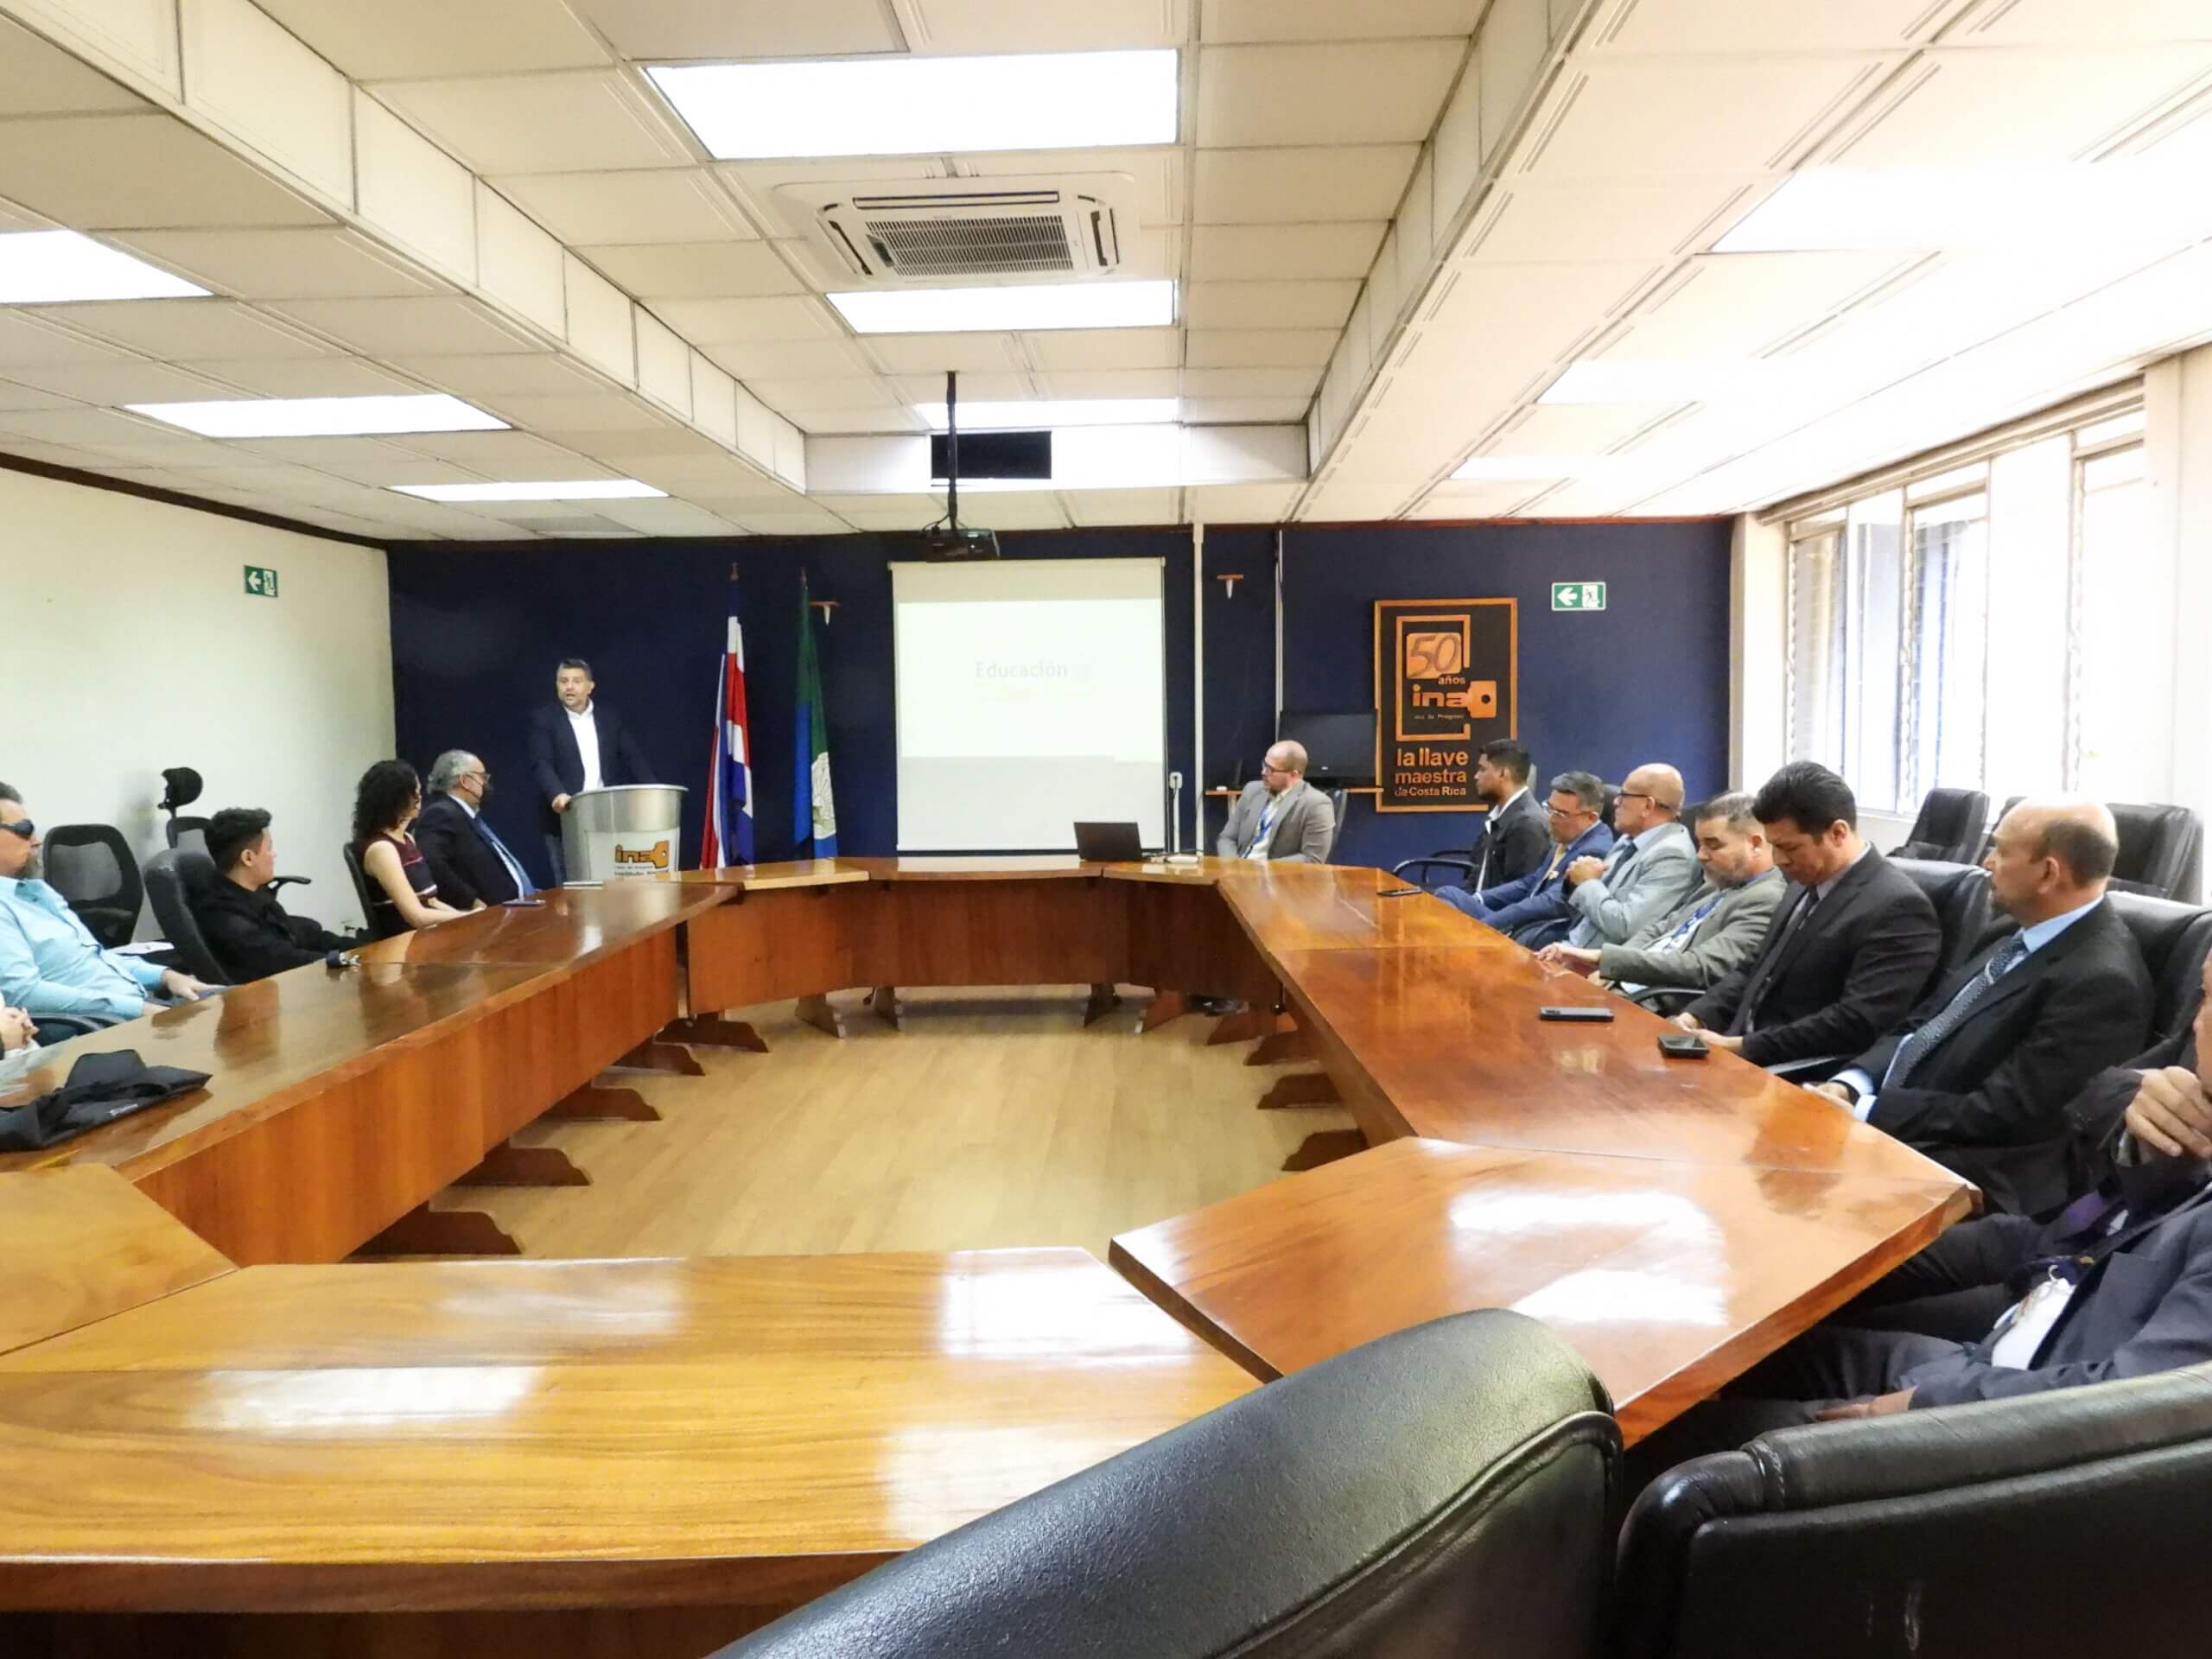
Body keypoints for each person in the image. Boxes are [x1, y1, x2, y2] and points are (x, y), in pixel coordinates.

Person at [1623, 982, 2212, 1492]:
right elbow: (2109, 1098)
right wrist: (2136, 1101)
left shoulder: (2101, 977)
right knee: (1762, 1343)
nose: (2195, 1020)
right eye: (2203, 992)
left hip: (2007, 1422)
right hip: (2036, 1309)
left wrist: (1926, 1405)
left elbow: (2132, 1403)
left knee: (1671, 1448)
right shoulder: (2195, 1075)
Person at [1809, 798, 2152, 1215]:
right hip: (1900, 1127)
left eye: (2001, 850)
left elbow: (2001, 1114)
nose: (1986, 862)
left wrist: (1865, 1111)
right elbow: (1924, 1023)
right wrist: (1852, 1083)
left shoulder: (2102, 983)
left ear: (2048, 873)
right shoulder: (2012, 930)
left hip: (1965, 1169)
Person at [1673, 762, 1941, 1069]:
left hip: (1793, 1070)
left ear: (1837, 833)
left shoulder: (1899, 908)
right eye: (1774, 846)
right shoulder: (1803, 881)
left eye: (1790, 848)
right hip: (1737, 1051)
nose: (1779, 860)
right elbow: (1754, 969)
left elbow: (1858, 1021)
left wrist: (1743, 1046)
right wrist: (1697, 1015)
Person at [0, 780, 211, 1027]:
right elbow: (25, 994)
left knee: (233, 1004)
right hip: (97, 1027)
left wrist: (167, 976)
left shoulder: (37, 891)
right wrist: (138, 1009)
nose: (36, 841)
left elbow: (95, 961)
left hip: (134, 1006)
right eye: (25, 830)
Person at [1536, 791, 1784, 998]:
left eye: (1713, 845)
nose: (1701, 855)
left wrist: (1608, 961)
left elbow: (1701, 966)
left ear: (1754, 844)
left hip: (1656, 1002)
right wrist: (1611, 968)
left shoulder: (1766, 898)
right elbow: (1660, 929)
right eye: (1700, 844)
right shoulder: (1717, 885)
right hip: (1626, 986)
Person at [1436, 772, 1614, 947]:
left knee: (1451, 916)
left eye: (1560, 814)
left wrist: (1489, 924)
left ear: (1590, 818)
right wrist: (1480, 898)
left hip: (1537, 934)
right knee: (1449, 895)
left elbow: (1551, 902)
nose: (1551, 819)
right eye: (1549, 808)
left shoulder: (1593, 852)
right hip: (1519, 925)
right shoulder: (1568, 838)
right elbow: (1530, 883)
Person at [190, 807, 357, 983]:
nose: (274, 854)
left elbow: (299, 934)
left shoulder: (254, 895)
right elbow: (284, 959)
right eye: (269, 848)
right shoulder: (225, 918)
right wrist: (343, 961)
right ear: (248, 858)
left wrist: (357, 948)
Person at [529, 657, 656, 883]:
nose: (569, 687)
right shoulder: (544, 720)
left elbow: (633, 758)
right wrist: (557, 794)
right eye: (563, 681)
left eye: (576, 681)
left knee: (611, 883)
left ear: (590, 686)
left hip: (606, 815)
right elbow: (541, 762)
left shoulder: (609, 718)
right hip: (566, 816)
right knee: (572, 885)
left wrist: (653, 792)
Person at [1557, 762, 1699, 949]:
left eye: (1623, 796)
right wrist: (1574, 882)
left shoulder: (1673, 856)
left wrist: (1587, 883)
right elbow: (1591, 910)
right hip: (1569, 947)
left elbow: (1626, 927)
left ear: (1648, 806)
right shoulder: (1628, 839)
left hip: (1596, 961)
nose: (1615, 802)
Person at [353, 760, 470, 939]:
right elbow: (416, 916)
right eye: (415, 792)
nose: (419, 798)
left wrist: (468, 918)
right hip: (406, 942)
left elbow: (431, 902)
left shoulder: (408, 838)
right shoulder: (382, 849)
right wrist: (465, 919)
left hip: (427, 936)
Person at [415, 751, 534, 909]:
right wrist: (471, 901)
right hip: (487, 916)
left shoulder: (464, 814)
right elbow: (433, 864)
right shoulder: (440, 813)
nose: (486, 784)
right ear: (465, 780)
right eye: (482, 777)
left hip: (512, 908)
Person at [1217, 741, 1336, 864]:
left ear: (1293, 775)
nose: (1263, 772)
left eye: (1271, 770)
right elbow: (1227, 838)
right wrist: (1233, 866)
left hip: (1277, 874)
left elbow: (1312, 859)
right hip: (1238, 870)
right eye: (1264, 765)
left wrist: (1262, 868)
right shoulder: (1252, 790)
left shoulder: (1316, 804)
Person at [1460, 740, 1548, 890]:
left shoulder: (1528, 824)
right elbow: (1475, 877)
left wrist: (1476, 900)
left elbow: (1520, 892)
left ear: (1503, 773)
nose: (1476, 776)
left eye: (1483, 769)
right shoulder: (1499, 818)